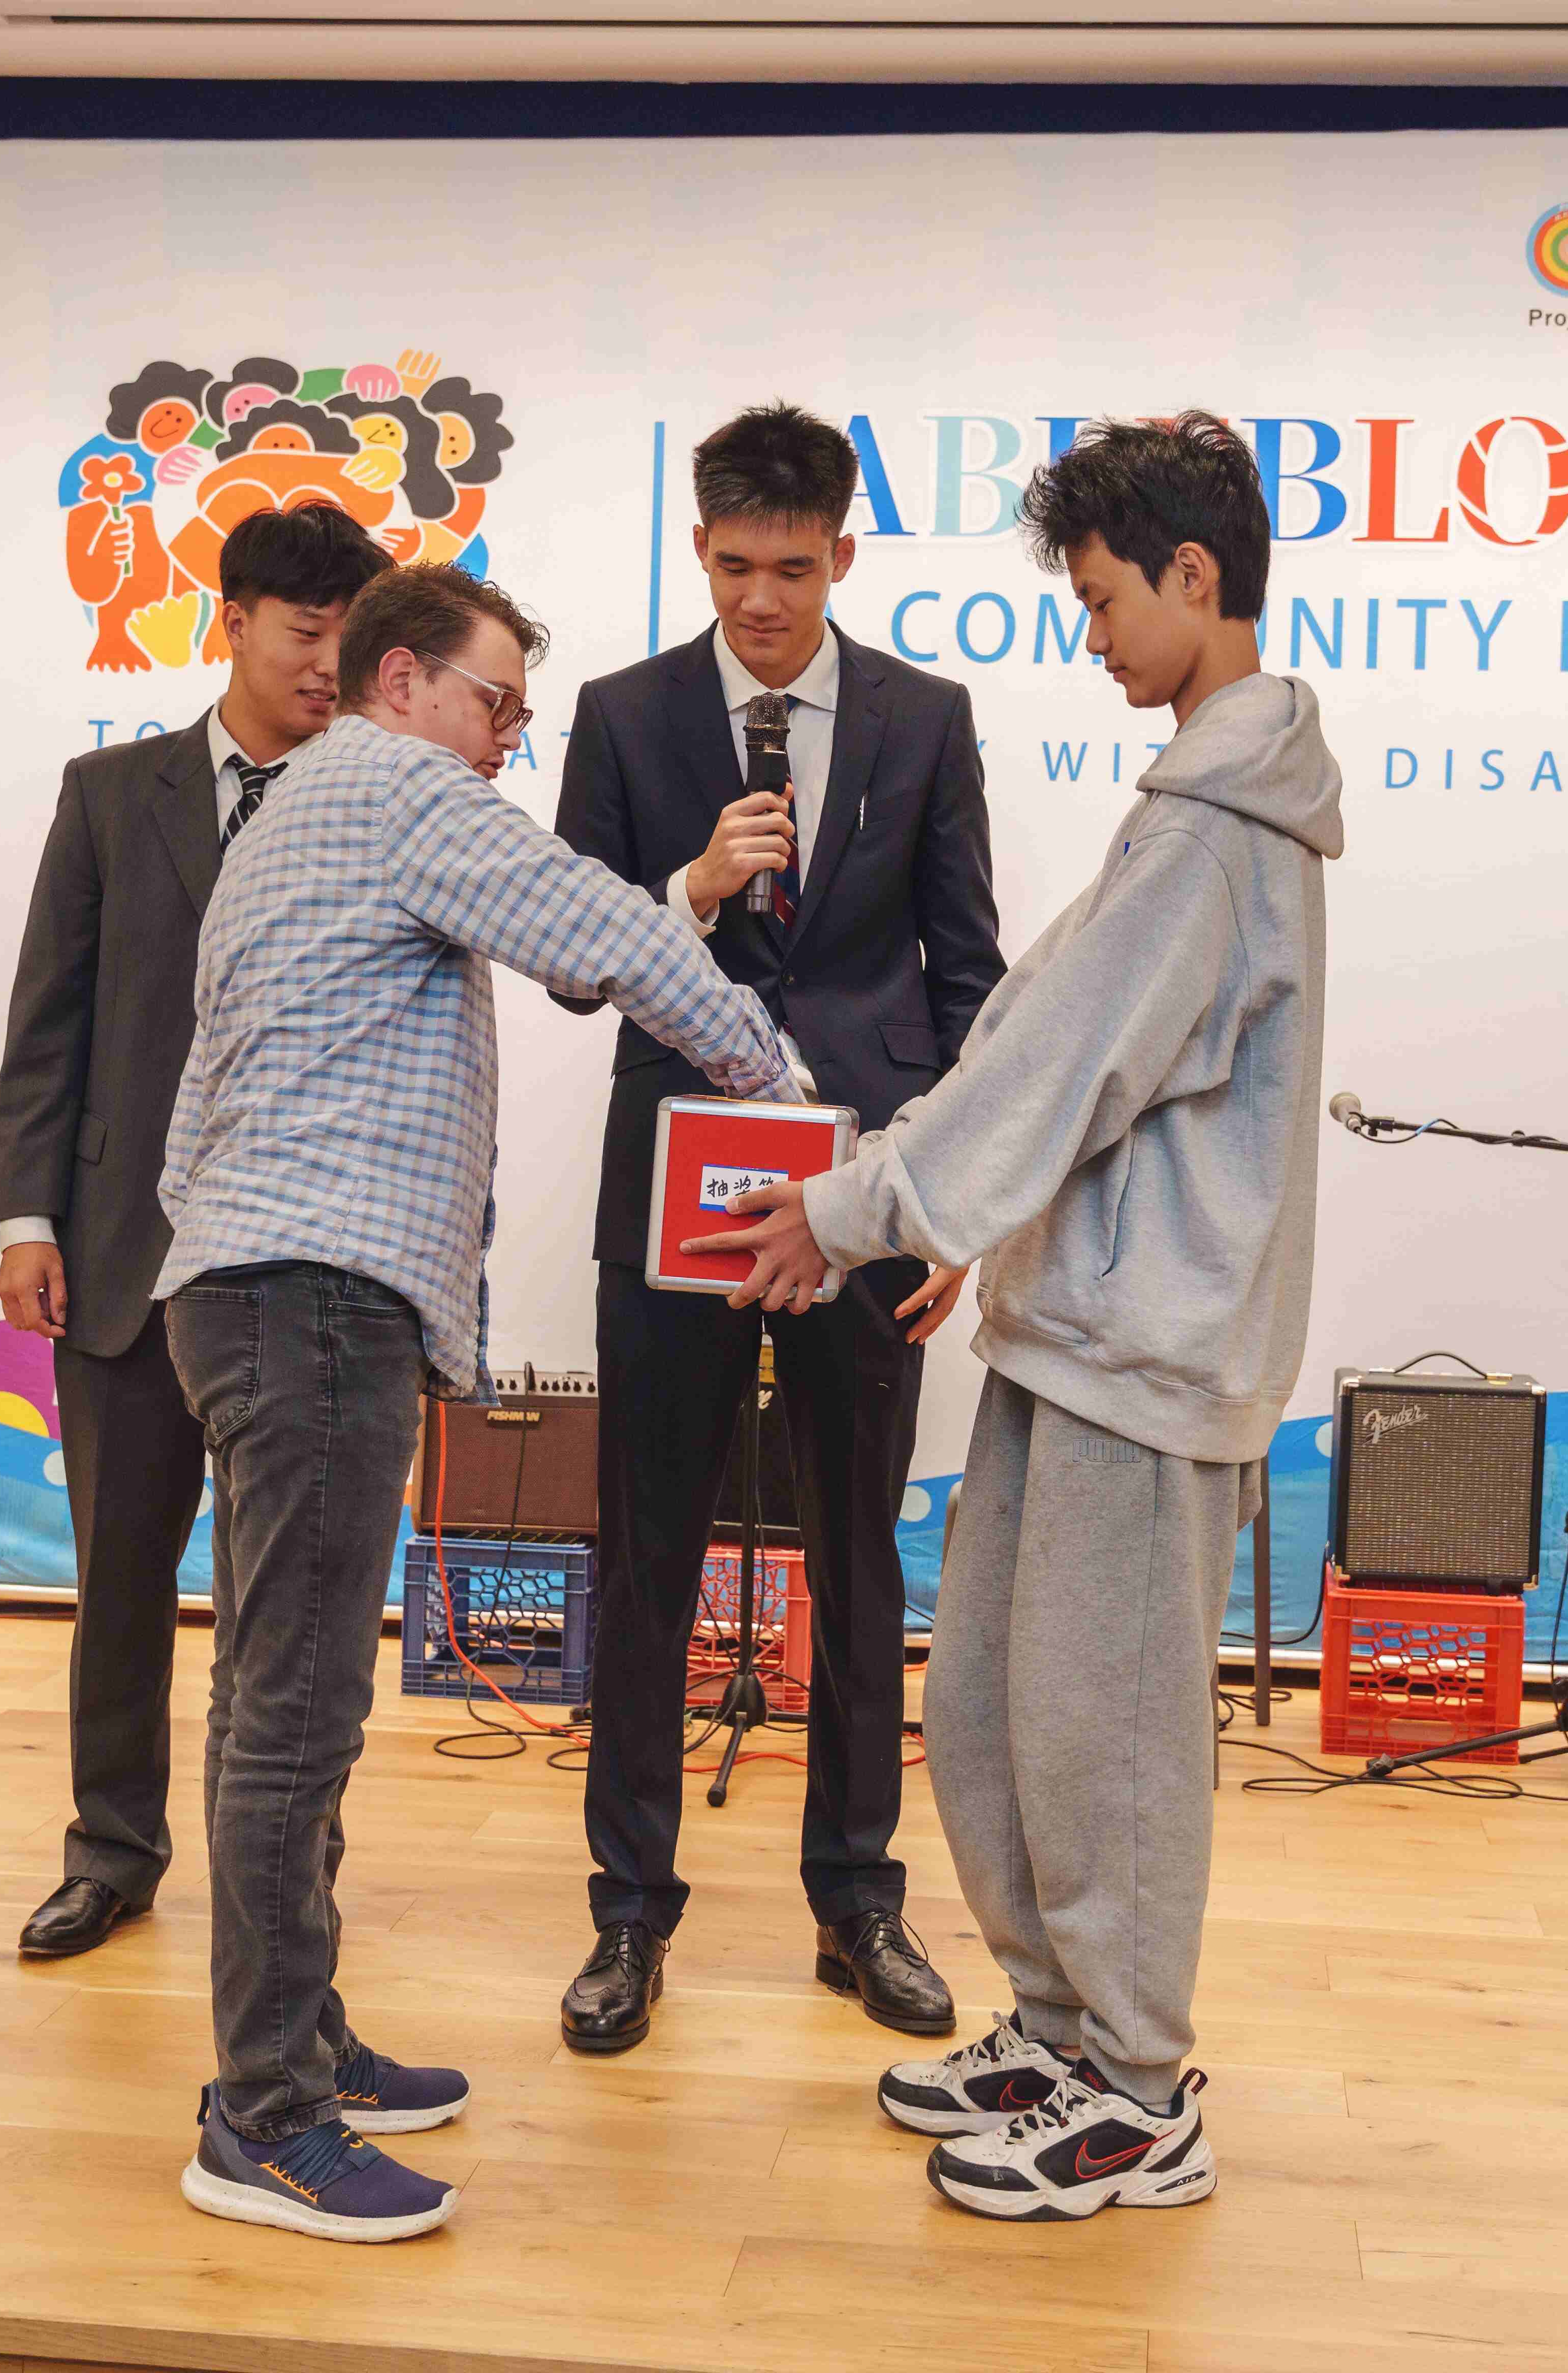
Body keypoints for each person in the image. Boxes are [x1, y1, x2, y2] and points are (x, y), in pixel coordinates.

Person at [692, 414, 1342, 2224]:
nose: (1096, 635)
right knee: (995, 1708)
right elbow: (1041, 1059)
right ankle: (1060, 2028)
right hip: (1077, 1335)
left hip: (1150, 1356)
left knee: (1107, 1738)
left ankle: (1137, 2091)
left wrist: (856, 1207)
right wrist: (915, 1201)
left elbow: (1058, 1066)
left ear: (1196, 579)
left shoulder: (1219, 834)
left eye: (1109, 600)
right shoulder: (1188, 812)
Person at [155, 562, 812, 2244]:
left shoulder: (288, 817)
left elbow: (198, 1090)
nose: (510, 739)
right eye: (496, 702)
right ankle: (264, 2119)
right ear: (400, 682)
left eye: (521, 713)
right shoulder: (399, 786)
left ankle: (298, 2040)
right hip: (313, 1299)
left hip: (247, 1286)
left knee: (267, 1702)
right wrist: (784, 1092)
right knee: (295, 1716)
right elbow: (608, 932)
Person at [546, 402, 1005, 2055]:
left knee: (859, 1558)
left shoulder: (924, 719)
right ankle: (628, 1915)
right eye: (735, 565)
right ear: (699, 547)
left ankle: (858, 1902)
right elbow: (568, 957)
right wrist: (688, 888)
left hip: (870, 1199)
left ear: (843, 556)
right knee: (649, 1555)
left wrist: (957, 1205)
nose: (761, 599)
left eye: (793, 570)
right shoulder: (624, 715)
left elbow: (968, 977)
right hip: (677, 1192)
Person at [0, 503, 392, 1963]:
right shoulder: (111, 795)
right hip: (120, 1253)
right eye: (306, 634)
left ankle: (284, 1869)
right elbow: (50, 1020)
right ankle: (111, 1848)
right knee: (121, 1576)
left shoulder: (379, 805)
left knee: (293, 1604)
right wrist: (28, 1216)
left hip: (300, 1262)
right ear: (234, 623)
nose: (329, 666)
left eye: (352, 640)